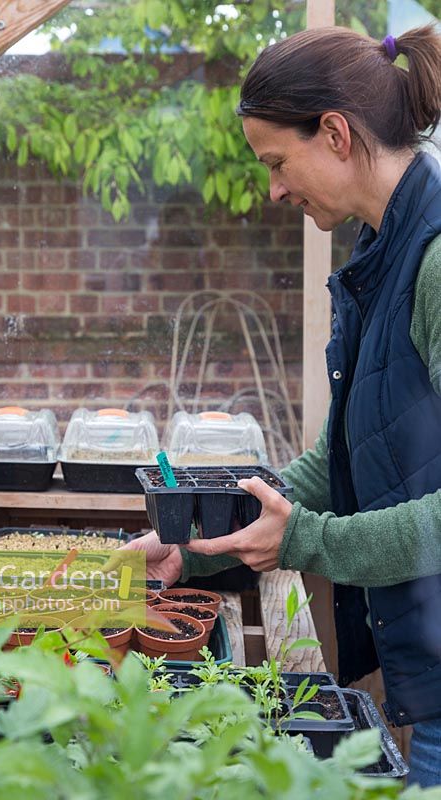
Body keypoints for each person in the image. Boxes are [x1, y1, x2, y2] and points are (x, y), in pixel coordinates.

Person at [123, 24, 441, 786]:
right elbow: (343, 461)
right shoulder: (382, 254)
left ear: (334, 133)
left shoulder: (433, 264)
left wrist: (306, 542)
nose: (272, 189)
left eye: (275, 161)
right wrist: (196, 545)